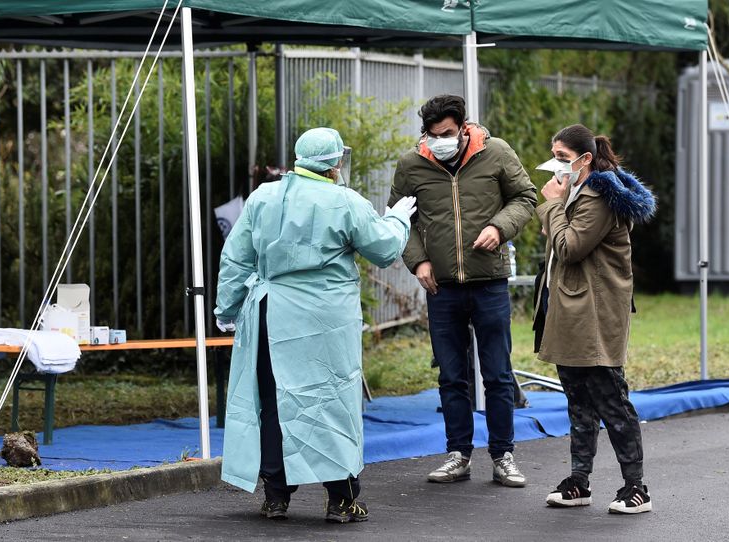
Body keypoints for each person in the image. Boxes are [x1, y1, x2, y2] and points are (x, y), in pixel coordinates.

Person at [215, 127, 416, 523]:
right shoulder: (345, 201)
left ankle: (276, 496)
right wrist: (397, 219)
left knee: (273, 401)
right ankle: (341, 500)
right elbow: (383, 249)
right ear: (335, 163)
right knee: (333, 400)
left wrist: (227, 307)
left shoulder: (264, 197)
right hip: (325, 319)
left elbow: (236, 258)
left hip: (271, 313)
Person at [388, 94, 537, 486]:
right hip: (442, 288)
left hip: (488, 282)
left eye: (448, 133)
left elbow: (526, 197)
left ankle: (504, 454)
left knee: (498, 374)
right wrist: (418, 261)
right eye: (434, 135)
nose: (441, 140)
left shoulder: (496, 152)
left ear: (463, 127)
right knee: (452, 376)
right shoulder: (411, 165)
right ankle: (458, 454)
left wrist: (499, 227)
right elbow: (397, 219)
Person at [533, 124, 656, 514]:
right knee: (577, 401)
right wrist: (557, 205)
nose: (556, 166)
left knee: (611, 400)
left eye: (563, 158)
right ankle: (578, 481)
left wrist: (551, 204)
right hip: (571, 309)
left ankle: (637, 488)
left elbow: (569, 247)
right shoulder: (576, 191)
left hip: (596, 314)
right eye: (553, 155)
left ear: (585, 159)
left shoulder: (599, 197)